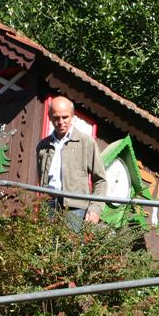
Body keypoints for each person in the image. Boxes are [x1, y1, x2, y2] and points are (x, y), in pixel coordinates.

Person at [36, 96, 108, 225]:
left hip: (76, 208)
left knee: (70, 245)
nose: (61, 122)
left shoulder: (86, 142)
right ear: (50, 117)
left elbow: (100, 180)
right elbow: (41, 179)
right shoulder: (43, 146)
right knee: (46, 245)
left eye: (65, 117)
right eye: (56, 117)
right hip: (49, 205)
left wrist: (95, 209)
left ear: (72, 117)